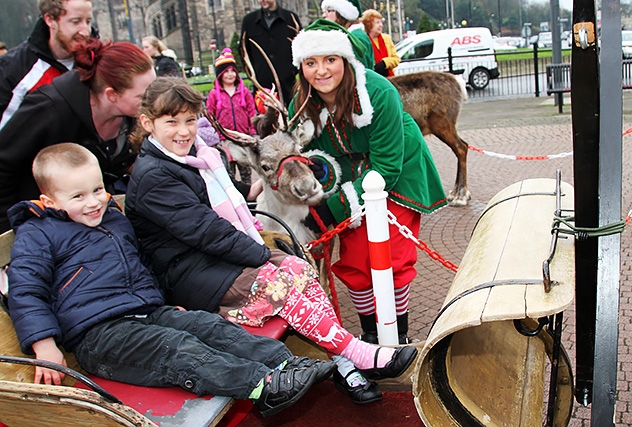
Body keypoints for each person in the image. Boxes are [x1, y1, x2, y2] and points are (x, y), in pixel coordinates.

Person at [126, 77, 419, 405]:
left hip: (211, 261)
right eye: (172, 122)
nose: (183, 131)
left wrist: (262, 237)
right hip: (189, 274)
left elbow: (223, 208)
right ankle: (356, 355)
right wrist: (262, 255)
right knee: (280, 280)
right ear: (147, 123)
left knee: (300, 267)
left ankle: (345, 363)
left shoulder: (195, 159)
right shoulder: (155, 176)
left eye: (190, 120)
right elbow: (207, 231)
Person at [7, 143, 335, 418]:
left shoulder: (114, 220)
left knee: (209, 326)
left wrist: (162, 302)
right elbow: (26, 291)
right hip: (98, 335)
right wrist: (43, 343)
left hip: (147, 313)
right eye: (78, 197)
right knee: (178, 348)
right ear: (49, 201)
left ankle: (288, 364)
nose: (93, 202)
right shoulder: (38, 234)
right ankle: (265, 385)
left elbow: (140, 267)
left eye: (98, 190)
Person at [289, 20, 447, 345]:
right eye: (311, 62)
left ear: (345, 60)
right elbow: (313, 162)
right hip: (348, 178)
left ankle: (397, 335)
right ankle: (371, 334)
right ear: (301, 66)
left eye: (330, 59)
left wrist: (334, 209)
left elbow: (387, 167)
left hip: (397, 171)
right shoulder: (301, 105)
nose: (321, 71)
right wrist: (317, 207)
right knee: (356, 260)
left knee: (392, 256)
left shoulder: (379, 91)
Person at [0, 38, 156, 233]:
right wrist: (8, 232)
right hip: (39, 229)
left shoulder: (132, 118)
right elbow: (4, 163)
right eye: (143, 96)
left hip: (93, 224)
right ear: (111, 95)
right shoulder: (48, 109)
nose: (153, 100)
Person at [0, 0, 93, 130]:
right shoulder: (14, 68)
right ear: (50, 20)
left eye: (88, 22)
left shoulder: (100, 61)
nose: (85, 32)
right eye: (76, 22)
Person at [206, 48, 256, 185]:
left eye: (232, 71)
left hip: (242, 138)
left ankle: (249, 196)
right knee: (229, 172)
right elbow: (210, 116)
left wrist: (253, 132)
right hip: (225, 139)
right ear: (220, 74)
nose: (230, 74)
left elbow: (252, 113)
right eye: (226, 71)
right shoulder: (214, 94)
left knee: (246, 171)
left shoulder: (244, 92)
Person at [240, 0, 302, 106]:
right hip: (262, 87)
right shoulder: (249, 21)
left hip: (287, 85)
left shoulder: (290, 18)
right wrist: (254, 72)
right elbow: (243, 50)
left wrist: (291, 71)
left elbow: (300, 47)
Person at [321, 0, 374, 69]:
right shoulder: (349, 35)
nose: (324, 15)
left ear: (343, 13)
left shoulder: (356, 38)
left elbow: (361, 73)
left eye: (329, 10)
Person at [362, 9, 400, 77]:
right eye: (377, 22)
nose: (381, 25)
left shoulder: (387, 38)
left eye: (381, 22)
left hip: (390, 78)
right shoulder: (364, 41)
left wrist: (384, 63)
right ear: (369, 24)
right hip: (373, 78)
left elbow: (396, 59)